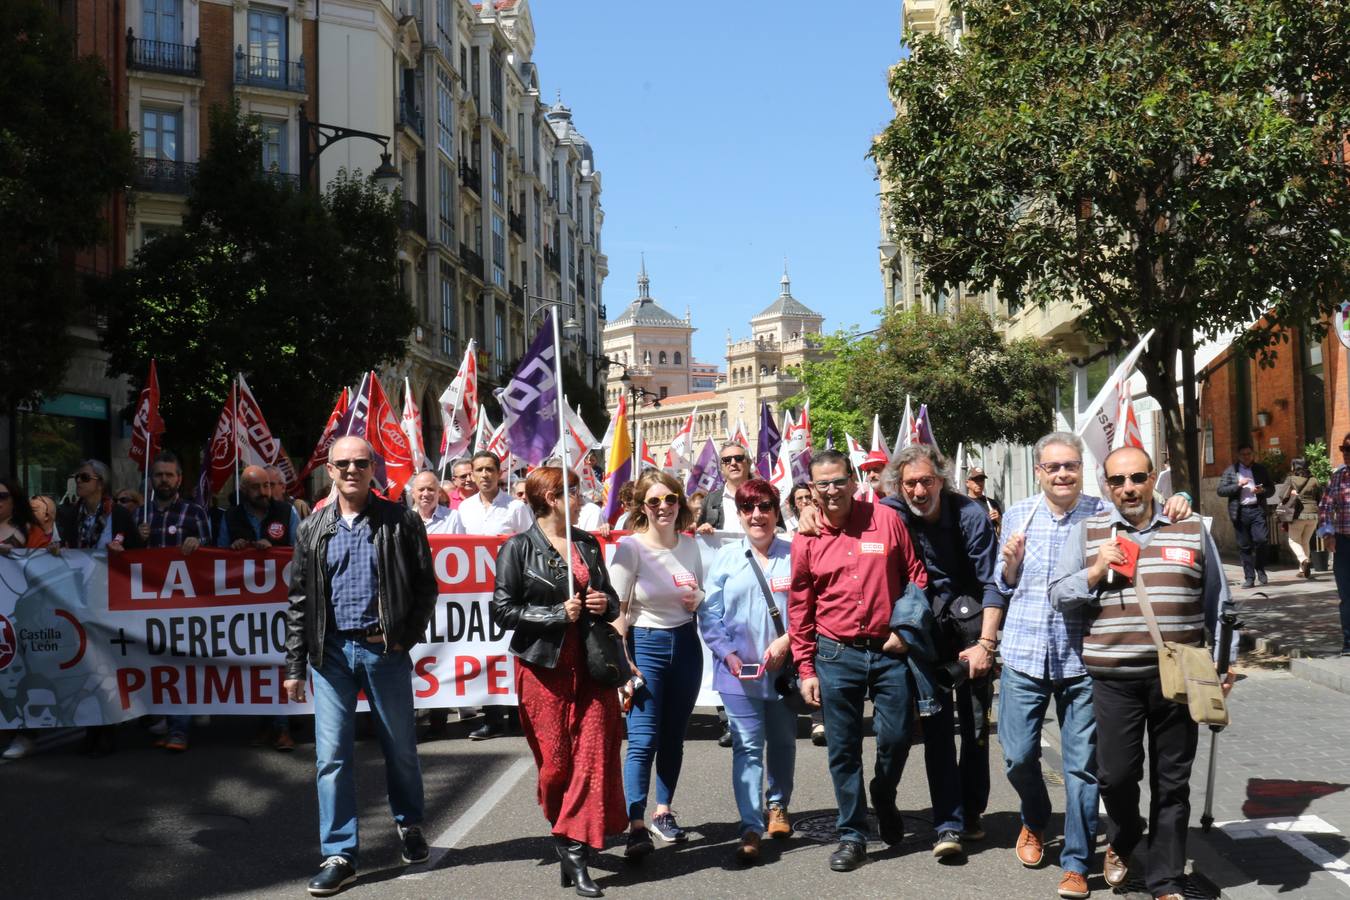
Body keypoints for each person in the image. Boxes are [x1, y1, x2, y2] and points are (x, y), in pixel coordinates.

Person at [995, 432, 1193, 900]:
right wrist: (1010, 566)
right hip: (1024, 651)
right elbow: (1002, 585)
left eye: (1070, 466)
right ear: (1039, 472)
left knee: (1083, 768)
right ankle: (1034, 817)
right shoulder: (1018, 515)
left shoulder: (1102, 515)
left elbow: (1147, 505)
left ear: (1082, 471)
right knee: (1018, 756)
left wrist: (1180, 497)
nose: (1062, 474)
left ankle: (1077, 863)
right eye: (1052, 467)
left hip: (1084, 657)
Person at [1051, 446, 1238, 900]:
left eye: (1136, 477)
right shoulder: (1088, 531)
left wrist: (1226, 664)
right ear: (1105, 485)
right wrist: (1097, 568)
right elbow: (1058, 595)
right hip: (1113, 678)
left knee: (1172, 784)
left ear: (1153, 478)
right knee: (1115, 777)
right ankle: (1124, 836)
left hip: (1179, 678)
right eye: (1117, 481)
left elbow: (1220, 601)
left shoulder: (1190, 526)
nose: (1128, 488)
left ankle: (1166, 880)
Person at [284, 436, 437, 897]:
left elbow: (425, 589)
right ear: (329, 470)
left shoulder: (401, 520)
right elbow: (300, 600)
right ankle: (340, 854)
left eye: (360, 462)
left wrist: (400, 639)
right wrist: (295, 664)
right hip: (329, 657)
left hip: (383, 654)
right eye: (342, 464)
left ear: (374, 468)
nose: (351, 470)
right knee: (331, 758)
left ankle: (409, 825)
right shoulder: (312, 528)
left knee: (400, 749)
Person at [788, 449, 929, 872]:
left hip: (888, 652)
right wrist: (806, 667)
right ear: (812, 489)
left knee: (898, 737)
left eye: (838, 481)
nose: (832, 491)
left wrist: (906, 630)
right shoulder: (806, 538)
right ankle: (852, 833)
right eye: (822, 484)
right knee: (843, 750)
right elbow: (800, 606)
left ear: (853, 480)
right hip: (835, 653)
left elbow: (916, 575)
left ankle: (883, 796)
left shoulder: (885, 520)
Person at [490, 467, 626, 897]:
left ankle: (574, 848)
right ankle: (565, 832)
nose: (583, 496)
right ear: (551, 497)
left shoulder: (587, 544)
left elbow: (611, 599)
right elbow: (503, 610)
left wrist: (605, 602)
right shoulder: (518, 548)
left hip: (591, 665)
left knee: (592, 757)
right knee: (556, 767)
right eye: (574, 490)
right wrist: (553, 614)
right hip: (543, 669)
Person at [881, 443, 1002, 857]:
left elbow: (992, 583)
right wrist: (810, 514)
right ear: (899, 485)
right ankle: (946, 824)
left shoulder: (969, 514)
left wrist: (986, 643)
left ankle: (971, 812)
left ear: (941, 480)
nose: (918, 491)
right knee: (935, 730)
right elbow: (846, 523)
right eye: (910, 483)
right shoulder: (889, 513)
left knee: (974, 729)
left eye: (926, 481)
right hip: (924, 634)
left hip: (971, 630)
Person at [697, 479, 797, 864]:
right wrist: (727, 653)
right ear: (739, 514)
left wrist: (787, 641)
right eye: (749, 508)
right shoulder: (725, 558)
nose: (758, 515)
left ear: (776, 511)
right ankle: (750, 826)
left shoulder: (794, 554)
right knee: (748, 748)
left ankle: (778, 806)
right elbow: (710, 614)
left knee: (784, 744)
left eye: (765, 506)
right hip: (738, 673)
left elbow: (808, 609)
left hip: (784, 671)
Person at [608, 469, 706, 859]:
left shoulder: (692, 546)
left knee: (673, 736)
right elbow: (618, 610)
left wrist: (698, 597)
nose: (663, 507)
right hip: (645, 645)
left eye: (670, 499)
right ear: (642, 507)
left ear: (680, 502)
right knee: (643, 739)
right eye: (654, 501)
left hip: (685, 645)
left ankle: (663, 811)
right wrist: (623, 660)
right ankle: (635, 825)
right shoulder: (630, 548)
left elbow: (701, 592)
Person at [219, 464, 302, 752]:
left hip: (281, 603)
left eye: (267, 485)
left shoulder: (286, 512)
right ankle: (266, 722)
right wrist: (234, 548)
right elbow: (216, 557)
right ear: (243, 489)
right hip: (245, 605)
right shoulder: (230, 517)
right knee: (256, 662)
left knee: (280, 661)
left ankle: (282, 727)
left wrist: (276, 550)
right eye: (257, 487)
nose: (264, 492)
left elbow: (299, 549)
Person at [454, 451, 533, 740]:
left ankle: (518, 714)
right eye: (479, 470)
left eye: (490, 469)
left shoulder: (515, 508)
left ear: (499, 473)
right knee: (486, 653)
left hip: (512, 593)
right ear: (471, 475)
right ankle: (492, 718)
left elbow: (530, 546)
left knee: (512, 650)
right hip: (476, 596)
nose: (484, 475)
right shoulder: (464, 509)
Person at [140, 451, 211, 752]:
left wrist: (200, 544)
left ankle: (179, 729)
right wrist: (132, 540)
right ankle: (168, 722)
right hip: (148, 604)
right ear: (151, 479)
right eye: (159, 475)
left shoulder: (194, 513)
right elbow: (124, 555)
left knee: (178, 665)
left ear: (179, 479)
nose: (164, 480)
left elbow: (215, 553)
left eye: (170, 475)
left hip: (184, 605)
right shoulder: (140, 516)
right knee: (156, 665)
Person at [1216, 442, 1275, 587]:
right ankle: (1249, 577)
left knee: (1261, 540)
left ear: (1253, 454)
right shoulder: (1231, 471)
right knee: (1244, 546)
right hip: (1240, 512)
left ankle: (1260, 568)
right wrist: (1238, 485)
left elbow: (1271, 489)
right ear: (1238, 456)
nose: (1247, 457)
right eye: (1243, 455)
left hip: (1257, 510)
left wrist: (1262, 491)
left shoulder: (1260, 469)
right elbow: (1220, 490)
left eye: (1249, 454)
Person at [56, 460, 143, 554]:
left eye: (85, 477)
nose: (78, 480)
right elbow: (64, 545)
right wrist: (57, 548)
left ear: (100, 484)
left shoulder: (120, 514)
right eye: (77, 477)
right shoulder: (71, 514)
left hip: (109, 567)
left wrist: (122, 552)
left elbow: (136, 552)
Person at [1317, 433, 1350, 655]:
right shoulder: (1337, 477)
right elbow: (1325, 506)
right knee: (1346, 595)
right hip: (1344, 543)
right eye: (1343, 449)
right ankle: (1349, 642)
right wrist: (1327, 533)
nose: (1346, 453)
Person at [1277, 457, 1321, 579]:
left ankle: (1303, 560)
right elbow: (1320, 497)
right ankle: (1303, 571)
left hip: (1297, 515)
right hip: (1313, 515)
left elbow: (1281, 495)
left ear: (1294, 467)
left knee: (1293, 540)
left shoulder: (1291, 479)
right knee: (1305, 541)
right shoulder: (1314, 480)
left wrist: (1291, 494)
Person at [696, 442, 753, 534]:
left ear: (748, 463)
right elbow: (697, 538)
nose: (733, 463)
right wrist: (700, 531)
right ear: (721, 469)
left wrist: (774, 531)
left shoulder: (765, 495)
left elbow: (781, 530)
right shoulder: (709, 501)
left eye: (738, 458)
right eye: (727, 460)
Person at [0, 477, 52, 552]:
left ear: (15, 500)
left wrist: (52, 550)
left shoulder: (30, 530)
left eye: (2, 496)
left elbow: (45, 559)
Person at [408, 470, 457, 535]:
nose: (426, 494)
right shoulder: (405, 520)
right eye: (421, 489)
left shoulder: (453, 517)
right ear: (413, 493)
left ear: (439, 492)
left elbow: (461, 544)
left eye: (430, 489)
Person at [965, 466, 1003, 535]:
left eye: (982, 479)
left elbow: (999, 534)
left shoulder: (992, 504)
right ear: (967, 483)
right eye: (976, 479)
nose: (979, 483)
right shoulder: (963, 503)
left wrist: (999, 521)